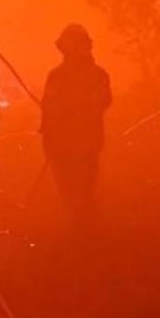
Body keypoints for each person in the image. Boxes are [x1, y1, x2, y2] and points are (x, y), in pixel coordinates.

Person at [40, 24, 111, 226]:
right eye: (67, 45)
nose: (70, 49)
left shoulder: (97, 75)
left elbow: (104, 100)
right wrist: (48, 137)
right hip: (61, 143)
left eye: (74, 44)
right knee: (67, 189)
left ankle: (87, 227)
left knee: (85, 187)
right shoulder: (56, 76)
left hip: (87, 142)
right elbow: (48, 107)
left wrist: (75, 106)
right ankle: (76, 226)